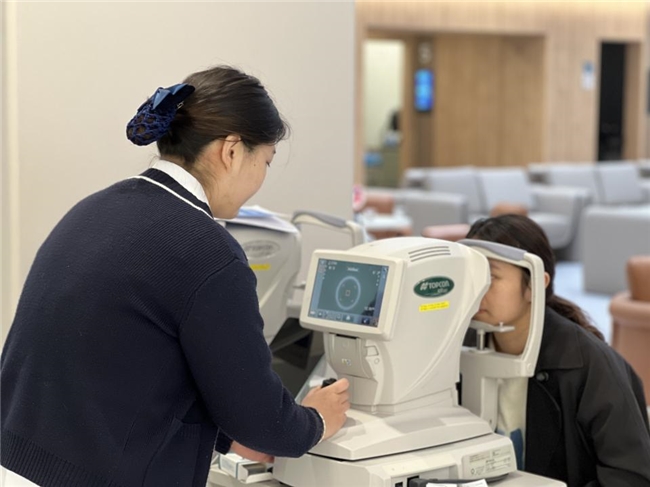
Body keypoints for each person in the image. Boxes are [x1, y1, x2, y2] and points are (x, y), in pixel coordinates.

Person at [1, 65, 350, 487]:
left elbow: (122, 365)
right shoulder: (207, 251)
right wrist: (316, 420)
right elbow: (266, 424)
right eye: (266, 161)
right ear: (232, 151)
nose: (261, 179)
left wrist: (225, 437)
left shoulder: (94, 209)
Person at [465, 214, 650, 486]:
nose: (477, 288)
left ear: (535, 284)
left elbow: (631, 476)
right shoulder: (459, 347)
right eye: (471, 275)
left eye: (490, 276)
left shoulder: (590, 365)